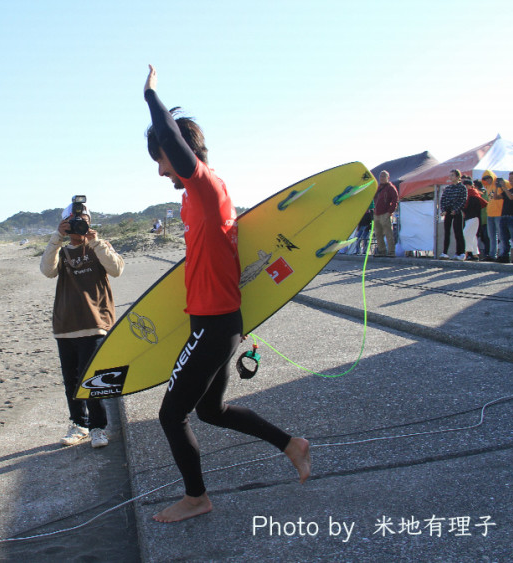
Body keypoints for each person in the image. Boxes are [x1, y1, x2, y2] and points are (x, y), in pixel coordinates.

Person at [143, 65, 310, 523]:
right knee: (211, 411)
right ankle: (292, 445)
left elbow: (174, 145)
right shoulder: (195, 195)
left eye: (160, 159)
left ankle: (197, 497)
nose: (160, 171)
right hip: (214, 321)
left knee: (171, 416)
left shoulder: (206, 186)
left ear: (177, 153)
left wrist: (151, 96)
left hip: (215, 324)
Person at [40, 199, 124, 449]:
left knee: (95, 379)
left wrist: (95, 240)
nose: (79, 227)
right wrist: (57, 237)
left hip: (96, 322)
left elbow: (117, 269)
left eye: (83, 222)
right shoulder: (62, 251)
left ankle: (98, 427)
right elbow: (47, 270)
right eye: (74, 223)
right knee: (71, 380)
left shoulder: (100, 247)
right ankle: (79, 423)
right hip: (66, 325)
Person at [439, 170, 467, 260]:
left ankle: (461, 253)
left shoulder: (462, 188)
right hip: (448, 212)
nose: (450, 177)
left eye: (452, 175)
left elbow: (463, 200)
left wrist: (456, 209)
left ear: (458, 177)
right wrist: (443, 210)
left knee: (458, 232)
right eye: (450, 175)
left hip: (457, 212)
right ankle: (444, 252)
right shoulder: (448, 188)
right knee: (447, 232)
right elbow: (443, 200)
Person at [372, 171, 399, 257]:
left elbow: (395, 200)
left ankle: (391, 252)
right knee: (378, 233)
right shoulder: (378, 187)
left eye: (384, 176)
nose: (382, 178)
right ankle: (382, 250)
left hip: (385, 214)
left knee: (388, 233)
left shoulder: (390, 188)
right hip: (377, 214)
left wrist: (389, 212)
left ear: (388, 177)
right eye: (380, 176)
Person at [461, 177, 487, 261]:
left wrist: (464, 209)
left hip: (474, 217)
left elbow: (472, 207)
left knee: (465, 234)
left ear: (468, 185)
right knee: (472, 236)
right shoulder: (469, 195)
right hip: (470, 217)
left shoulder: (473, 195)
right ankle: (475, 254)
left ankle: (466, 252)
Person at [481, 170, 502, 261]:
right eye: (485, 178)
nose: (487, 180)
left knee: (501, 236)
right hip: (490, 214)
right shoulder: (488, 187)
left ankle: (502, 254)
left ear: (492, 177)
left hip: (499, 213)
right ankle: (492, 255)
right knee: (492, 236)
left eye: (489, 178)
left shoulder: (499, 184)